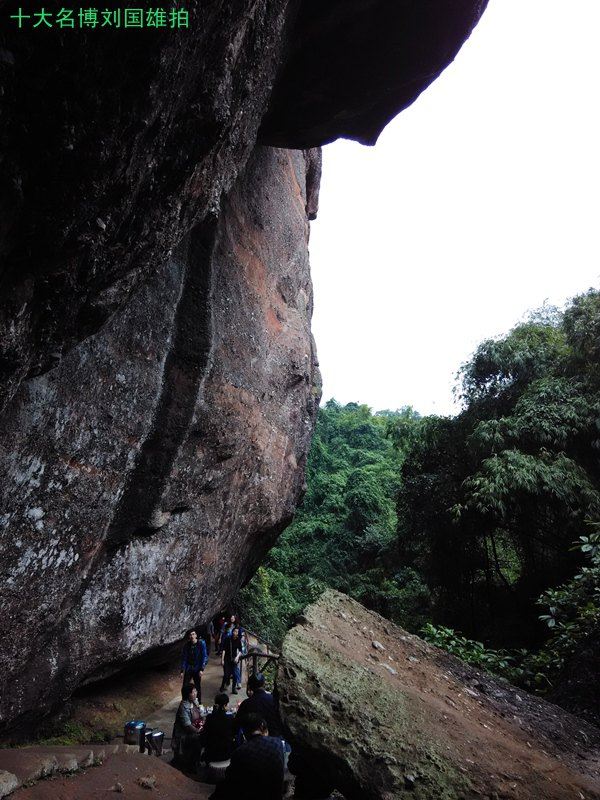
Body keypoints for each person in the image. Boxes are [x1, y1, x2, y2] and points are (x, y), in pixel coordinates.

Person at [211, 714, 284, 800]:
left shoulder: (240, 751)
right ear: (262, 726)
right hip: (275, 795)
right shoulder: (277, 743)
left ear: (244, 732)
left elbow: (230, 777)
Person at [235, 672, 283, 738]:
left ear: (250, 686)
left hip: (254, 741)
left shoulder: (246, 704)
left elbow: (236, 724)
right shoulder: (273, 700)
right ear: (264, 684)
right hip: (275, 738)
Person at [200, 692, 235, 764]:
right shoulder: (230, 718)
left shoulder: (210, 717)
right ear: (225, 705)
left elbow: (204, 735)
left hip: (211, 753)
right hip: (226, 753)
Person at [172, 684, 203, 766]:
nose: (196, 693)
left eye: (196, 691)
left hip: (193, 729)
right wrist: (198, 731)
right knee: (198, 738)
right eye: (193, 692)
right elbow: (187, 726)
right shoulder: (183, 707)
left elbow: (200, 714)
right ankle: (192, 764)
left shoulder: (194, 702)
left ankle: (197, 759)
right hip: (184, 734)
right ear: (188, 695)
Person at [180, 629, 208, 701]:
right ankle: (185, 701)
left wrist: (202, 669)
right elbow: (184, 658)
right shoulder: (187, 645)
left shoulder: (201, 644)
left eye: (193, 634)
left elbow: (204, 656)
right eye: (190, 635)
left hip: (197, 668)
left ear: (196, 635)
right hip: (189, 668)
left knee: (197, 686)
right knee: (185, 686)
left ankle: (199, 703)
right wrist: (182, 670)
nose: (192, 636)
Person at [220, 626, 243, 694]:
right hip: (227, 659)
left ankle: (233, 689)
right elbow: (224, 649)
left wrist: (237, 657)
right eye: (234, 631)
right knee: (226, 675)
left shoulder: (238, 640)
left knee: (235, 675)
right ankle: (222, 686)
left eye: (236, 632)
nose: (234, 632)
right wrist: (222, 660)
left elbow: (241, 650)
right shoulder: (228, 639)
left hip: (234, 659)